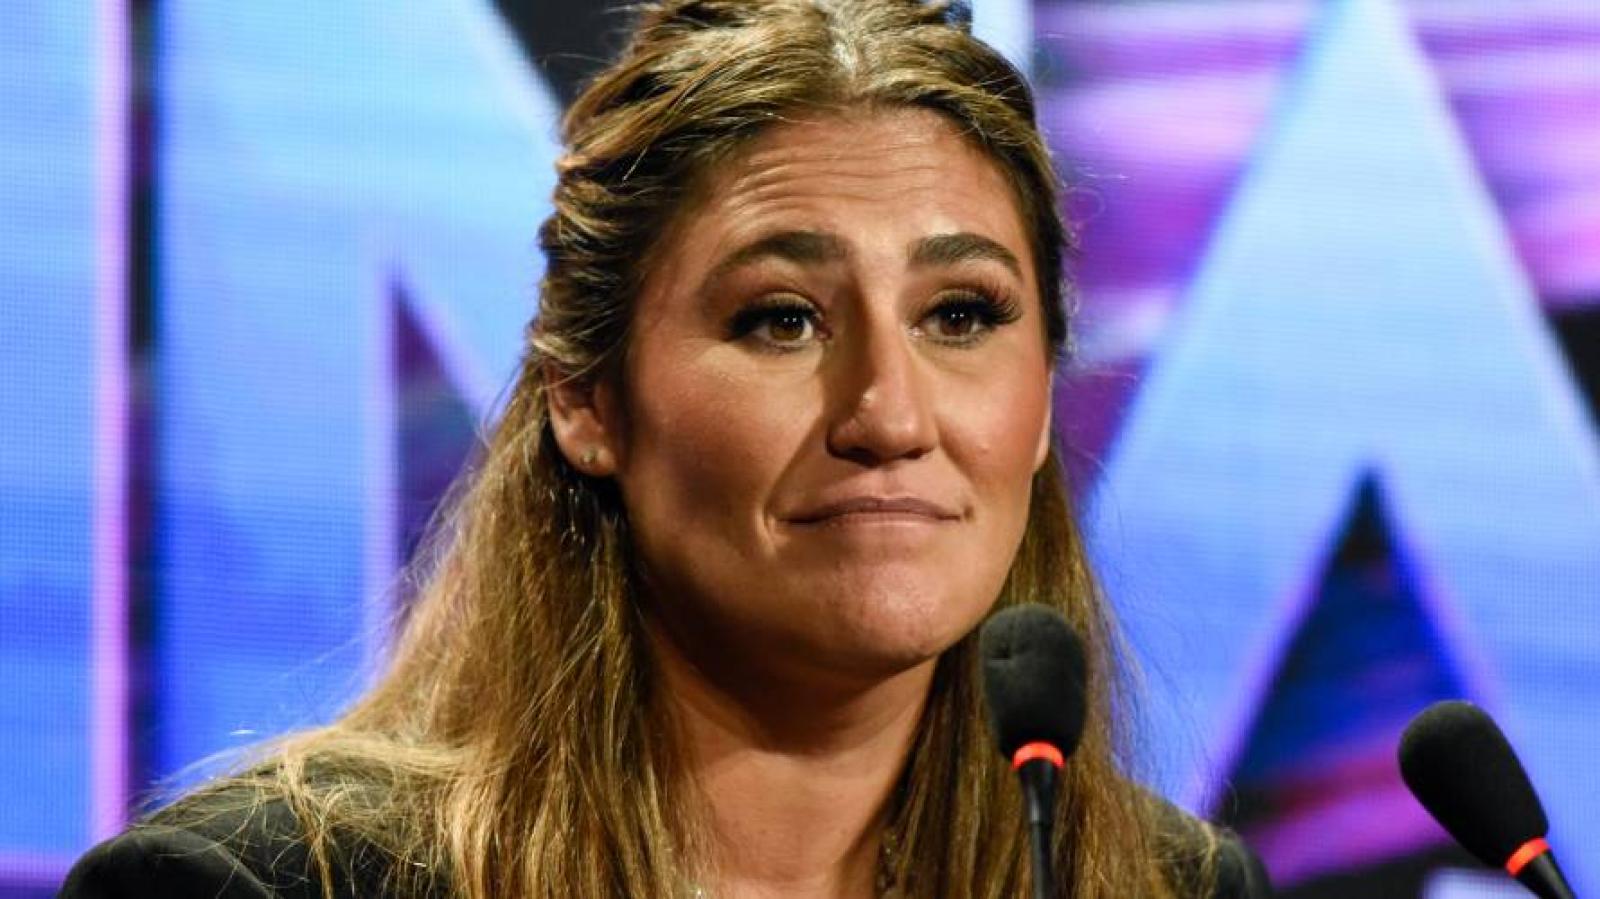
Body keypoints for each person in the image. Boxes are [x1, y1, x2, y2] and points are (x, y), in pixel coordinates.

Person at [62, 1, 1272, 896]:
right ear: (587, 400)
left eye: (960, 315)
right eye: (781, 320)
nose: (890, 417)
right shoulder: (257, 886)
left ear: (1042, 397)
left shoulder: (1166, 886)